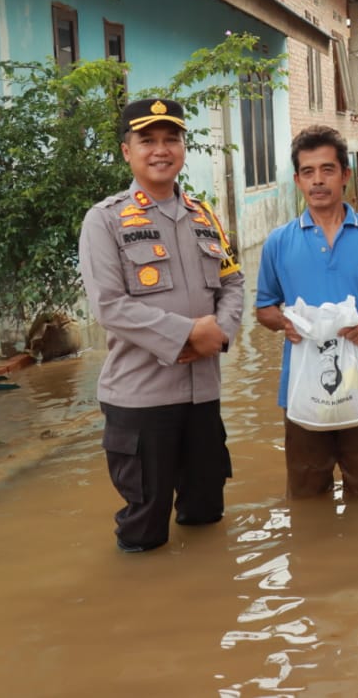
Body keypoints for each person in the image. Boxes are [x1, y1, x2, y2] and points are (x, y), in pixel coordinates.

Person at [79, 97, 244, 553]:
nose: (161, 149)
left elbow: (233, 282)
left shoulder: (203, 216)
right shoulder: (105, 221)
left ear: (183, 148)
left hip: (202, 397)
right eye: (147, 140)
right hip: (141, 401)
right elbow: (109, 305)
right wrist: (188, 334)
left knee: (207, 514)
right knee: (144, 530)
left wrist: (221, 333)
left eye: (171, 139)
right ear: (126, 151)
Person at [255, 127, 358, 499]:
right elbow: (263, 309)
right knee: (307, 496)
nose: (318, 180)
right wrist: (285, 322)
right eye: (308, 172)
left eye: (327, 169)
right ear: (297, 180)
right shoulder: (279, 242)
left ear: (345, 174)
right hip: (302, 388)